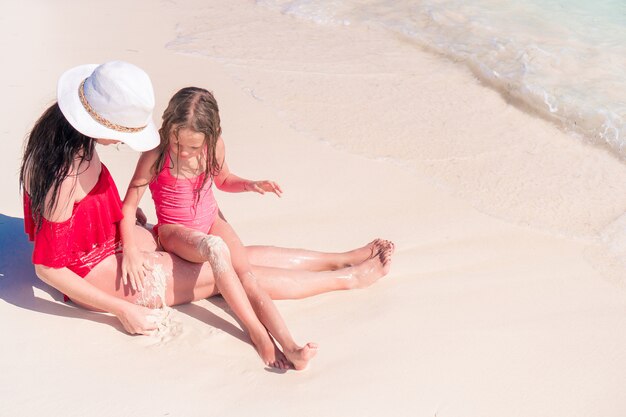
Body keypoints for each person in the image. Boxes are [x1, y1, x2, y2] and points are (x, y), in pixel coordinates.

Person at [19, 61, 393, 370]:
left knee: (234, 257)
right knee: (219, 272)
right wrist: (121, 310)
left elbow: (87, 212)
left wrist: (125, 223)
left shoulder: (62, 140)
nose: (122, 142)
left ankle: (338, 259)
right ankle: (348, 279)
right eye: (121, 134)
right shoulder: (64, 177)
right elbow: (48, 268)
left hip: (112, 239)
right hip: (94, 270)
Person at [122, 86, 324, 369]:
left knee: (249, 278)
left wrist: (249, 184)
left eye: (194, 147)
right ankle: (258, 334)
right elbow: (129, 205)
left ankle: (291, 346)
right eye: (178, 144)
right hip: (176, 232)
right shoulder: (156, 154)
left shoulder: (215, 146)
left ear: (210, 135)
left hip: (211, 219)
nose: (185, 153)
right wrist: (130, 249)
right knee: (216, 248)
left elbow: (224, 179)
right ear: (168, 128)